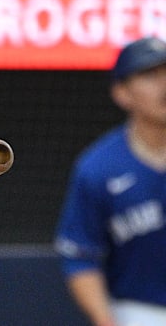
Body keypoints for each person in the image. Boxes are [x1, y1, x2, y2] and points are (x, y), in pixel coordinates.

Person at [54, 37, 166, 326]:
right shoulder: (99, 168)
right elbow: (80, 256)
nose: (164, 85)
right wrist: (105, 319)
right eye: (150, 75)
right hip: (139, 312)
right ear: (122, 93)